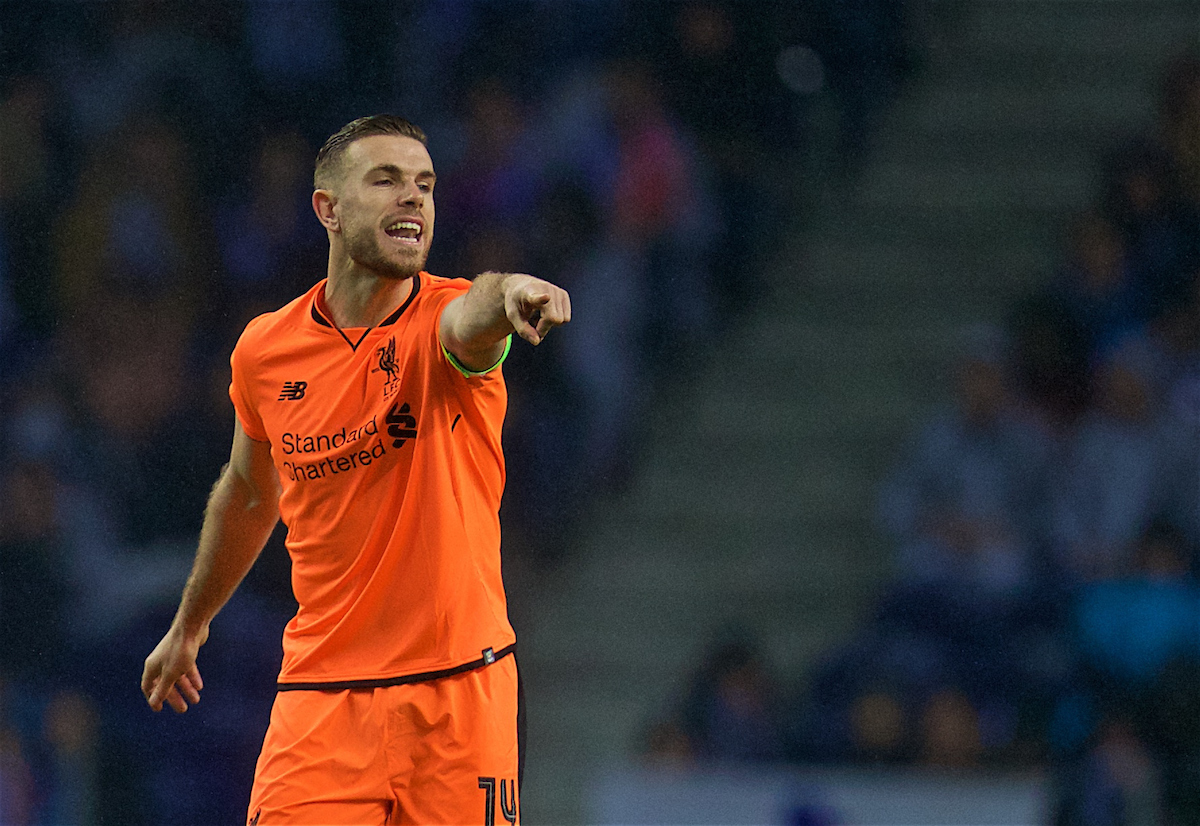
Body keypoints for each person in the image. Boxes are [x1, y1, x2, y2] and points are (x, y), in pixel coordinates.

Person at [140, 114, 570, 826]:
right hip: (323, 698)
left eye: (426, 186)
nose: (414, 199)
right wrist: (190, 625)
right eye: (388, 180)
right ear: (328, 210)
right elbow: (249, 493)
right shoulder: (265, 350)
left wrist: (513, 288)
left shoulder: (441, 326)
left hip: (458, 697)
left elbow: (480, 308)